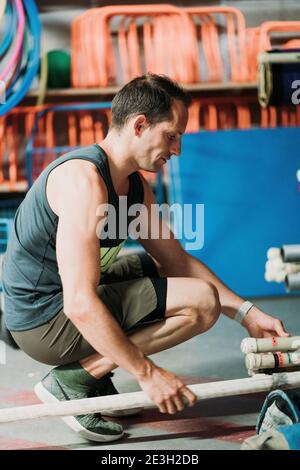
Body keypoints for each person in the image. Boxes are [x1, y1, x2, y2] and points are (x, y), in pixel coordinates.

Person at [1, 74, 289, 442]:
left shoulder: (135, 186)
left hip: (59, 305)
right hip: (43, 322)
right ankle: (75, 379)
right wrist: (146, 373)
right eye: (172, 135)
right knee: (201, 303)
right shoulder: (84, 182)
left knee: (167, 271)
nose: (178, 149)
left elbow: (178, 262)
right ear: (139, 124)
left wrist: (248, 313)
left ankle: (91, 373)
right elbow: (79, 303)